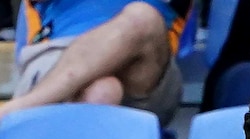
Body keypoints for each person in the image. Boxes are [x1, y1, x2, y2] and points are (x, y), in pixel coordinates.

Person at [2, 0, 192, 127]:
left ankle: (15, 112)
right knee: (102, 92)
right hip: (59, 54)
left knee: (142, 17)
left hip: (146, 69)